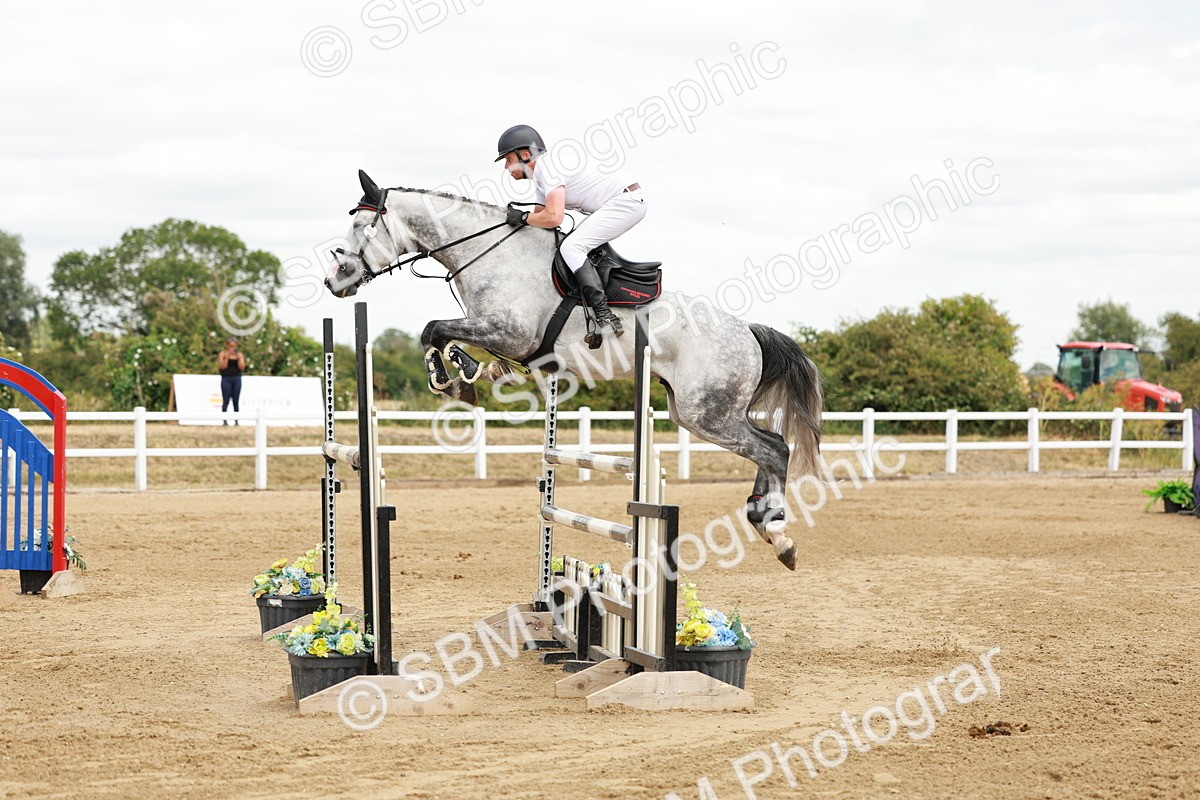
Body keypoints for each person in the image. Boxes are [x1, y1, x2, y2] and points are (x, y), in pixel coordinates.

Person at [495, 124, 646, 345]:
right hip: (619, 201)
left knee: (572, 247)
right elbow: (541, 221)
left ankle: (605, 317)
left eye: (508, 160)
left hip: (626, 201)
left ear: (525, 155)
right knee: (569, 245)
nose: (506, 167)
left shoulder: (548, 168)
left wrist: (523, 217)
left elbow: (554, 217)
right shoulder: (540, 178)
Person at [217, 337, 246, 425]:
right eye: (230, 346)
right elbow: (222, 367)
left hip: (236, 378)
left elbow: (242, 367)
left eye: (233, 346)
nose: (232, 348)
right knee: (225, 400)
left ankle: (236, 420)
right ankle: (224, 420)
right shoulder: (223, 354)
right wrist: (227, 357)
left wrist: (238, 359)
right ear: (227, 345)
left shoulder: (239, 355)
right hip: (226, 378)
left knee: (235, 400)